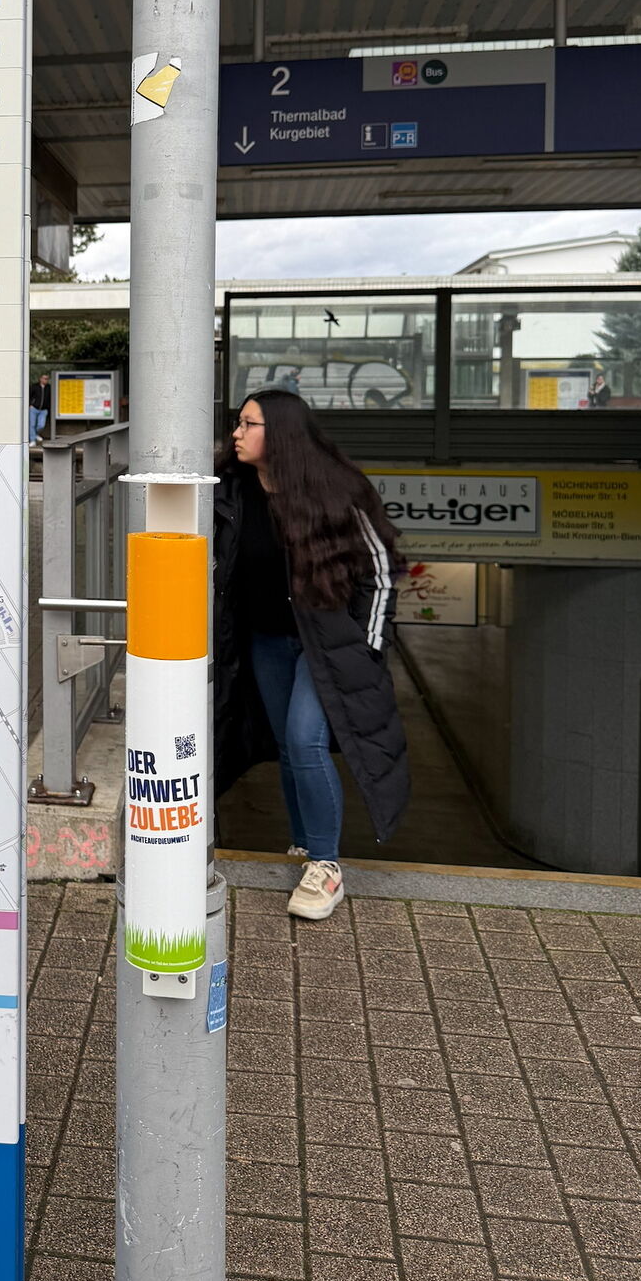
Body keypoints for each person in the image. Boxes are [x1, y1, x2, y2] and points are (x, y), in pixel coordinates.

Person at [214, 387, 409, 921]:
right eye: (238, 422)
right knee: (286, 743)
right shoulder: (230, 489)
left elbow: (382, 571)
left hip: (325, 644)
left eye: (248, 424)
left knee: (305, 738)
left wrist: (368, 647)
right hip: (264, 639)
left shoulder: (337, 489)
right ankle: (304, 845)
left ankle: (326, 866)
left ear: (280, 434)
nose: (236, 433)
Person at [28, 372, 51, 446]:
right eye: (44, 378)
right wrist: (30, 404)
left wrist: (48, 408)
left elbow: (50, 398)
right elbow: (28, 395)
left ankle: (35, 434)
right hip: (34, 409)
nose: (46, 380)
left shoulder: (49, 387)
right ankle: (32, 440)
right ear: (40, 379)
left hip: (44, 410)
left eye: (47, 379)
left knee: (41, 425)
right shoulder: (34, 386)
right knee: (32, 425)